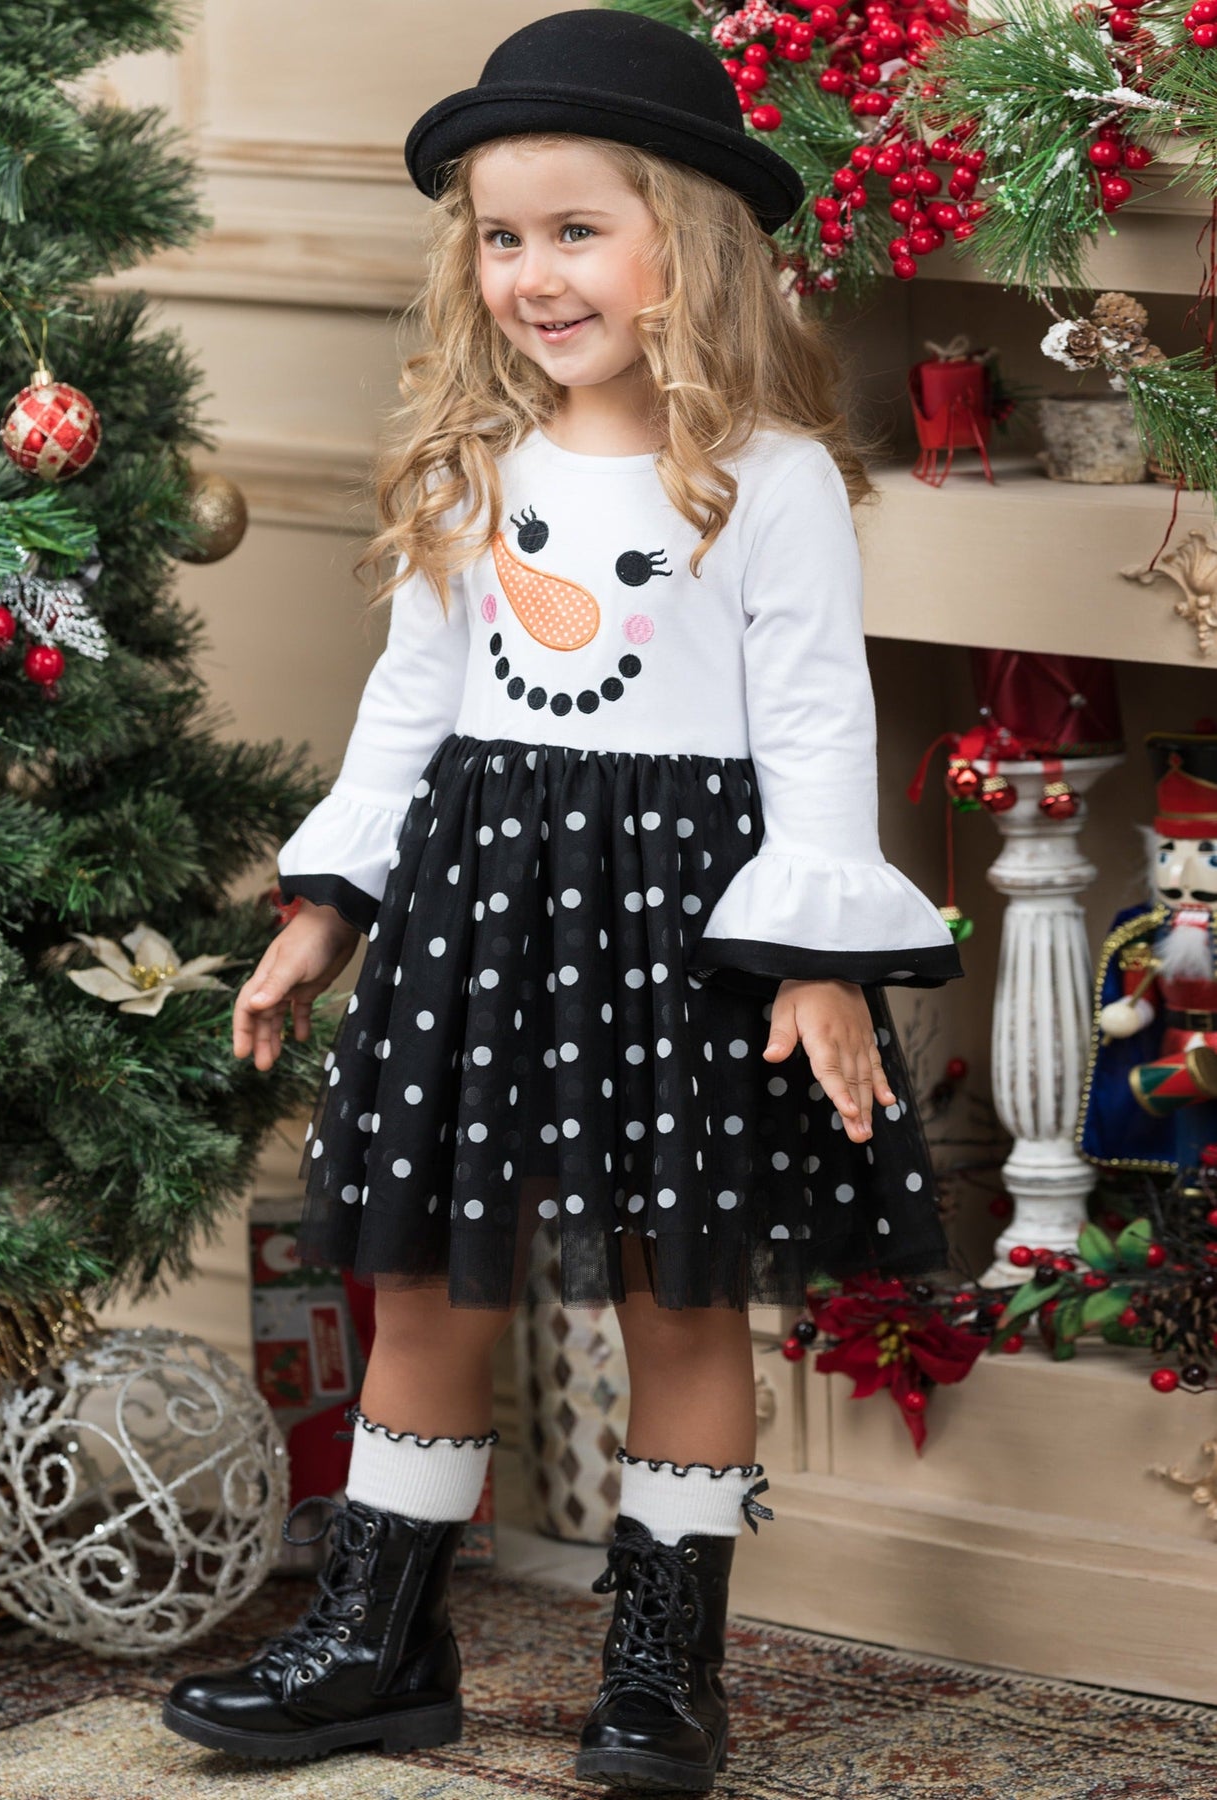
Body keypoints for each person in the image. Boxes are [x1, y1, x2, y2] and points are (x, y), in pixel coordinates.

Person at [163, 8, 964, 1790]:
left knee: (680, 1296)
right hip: (477, 917)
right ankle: (378, 1643)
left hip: (688, 931)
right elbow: (409, 704)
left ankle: (665, 1670)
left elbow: (817, 723)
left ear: (693, 241)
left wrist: (815, 963)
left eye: (577, 230)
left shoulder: (769, 481)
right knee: (429, 1288)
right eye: (501, 237)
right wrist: (327, 908)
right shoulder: (475, 459)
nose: (533, 274)